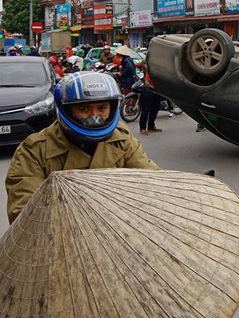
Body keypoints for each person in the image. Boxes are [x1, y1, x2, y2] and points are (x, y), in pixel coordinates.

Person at [5, 72, 159, 224]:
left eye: (102, 108)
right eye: (84, 109)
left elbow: (153, 183)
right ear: (67, 110)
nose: (95, 116)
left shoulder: (122, 139)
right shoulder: (34, 151)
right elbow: (25, 214)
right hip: (61, 238)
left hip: (119, 229)